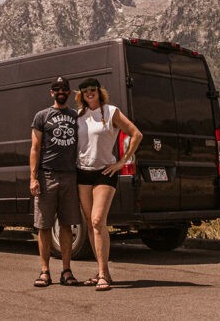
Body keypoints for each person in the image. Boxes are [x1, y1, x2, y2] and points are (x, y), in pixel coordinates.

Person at [75, 77, 142, 291]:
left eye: (93, 89)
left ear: (99, 91)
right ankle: (102, 271)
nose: (89, 93)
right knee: (90, 221)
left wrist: (123, 161)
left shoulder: (111, 111)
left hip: (105, 172)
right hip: (82, 172)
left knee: (97, 221)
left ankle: (103, 274)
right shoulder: (78, 115)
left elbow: (136, 134)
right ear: (82, 95)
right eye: (85, 91)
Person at [29, 76, 81, 287]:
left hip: (70, 175)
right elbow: (35, 148)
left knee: (67, 225)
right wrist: (33, 178)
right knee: (44, 226)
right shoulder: (41, 116)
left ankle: (66, 271)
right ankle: (44, 272)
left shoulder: (76, 116)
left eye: (64, 89)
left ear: (69, 93)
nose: (60, 91)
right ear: (52, 92)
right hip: (47, 175)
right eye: (56, 88)